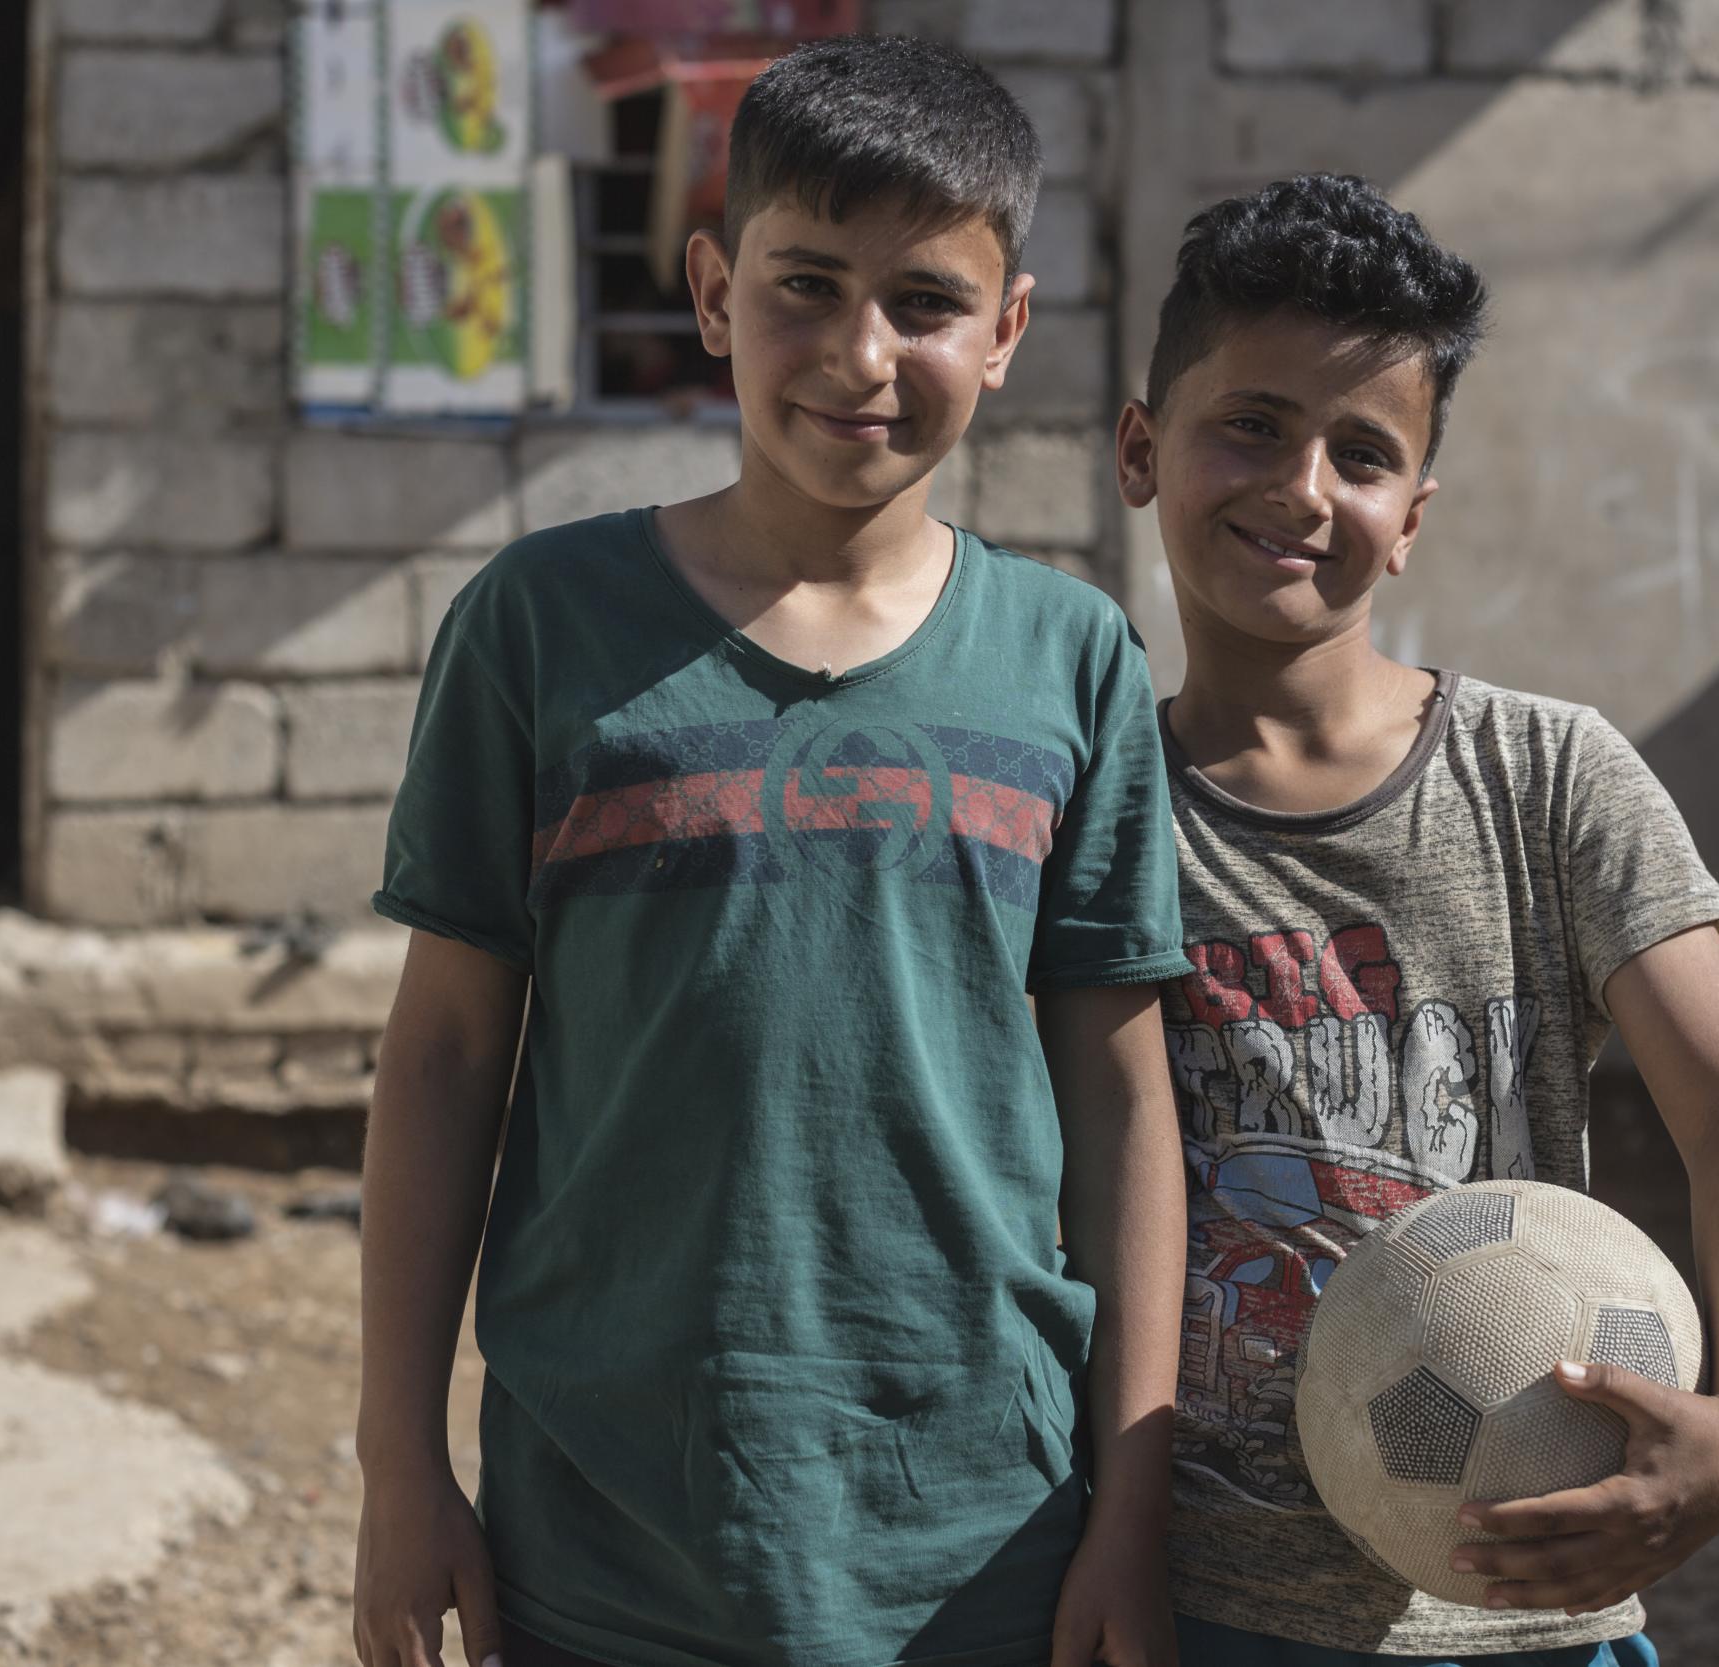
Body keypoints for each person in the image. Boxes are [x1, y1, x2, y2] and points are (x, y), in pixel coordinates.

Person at [352, 36, 1192, 1667]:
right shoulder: (540, 626)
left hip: (977, 1528)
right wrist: (401, 1467)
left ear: (1009, 330)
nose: (861, 355)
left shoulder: (1071, 658)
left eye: (928, 303)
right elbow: (448, 1052)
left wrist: (1131, 1517)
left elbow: (1123, 1094)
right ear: (713, 289)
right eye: (806, 285)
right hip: (604, 1523)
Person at [1115, 175, 1719, 1666]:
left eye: (1361, 454)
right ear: (1141, 448)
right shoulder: (1101, 807)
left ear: (1413, 515)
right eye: (1251, 423)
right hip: (1210, 1600)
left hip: (1526, 1591)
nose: (1303, 488)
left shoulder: (1546, 776)